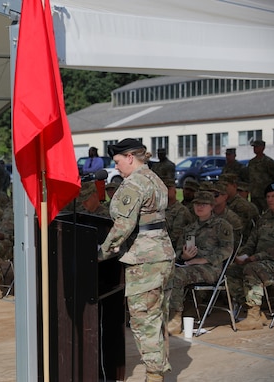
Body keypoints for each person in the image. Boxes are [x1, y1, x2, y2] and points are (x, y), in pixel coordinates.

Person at [99, 138, 174, 382]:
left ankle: (154, 376)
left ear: (130, 157)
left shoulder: (134, 183)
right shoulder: (155, 178)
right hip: (162, 254)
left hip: (144, 260)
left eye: (118, 161)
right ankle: (158, 370)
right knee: (158, 317)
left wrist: (100, 253)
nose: (116, 167)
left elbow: (122, 226)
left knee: (145, 321)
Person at [227, 182, 274, 330]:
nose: (270, 199)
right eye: (268, 196)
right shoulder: (264, 217)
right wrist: (242, 256)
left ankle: (253, 317)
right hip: (260, 261)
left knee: (253, 269)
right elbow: (252, 242)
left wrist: (255, 258)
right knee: (230, 271)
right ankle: (254, 311)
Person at [167, 191, 234, 335]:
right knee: (164, 272)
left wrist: (204, 260)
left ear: (211, 206)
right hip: (189, 267)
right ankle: (164, 314)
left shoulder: (221, 225)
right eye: (197, 204)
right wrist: (184, 256)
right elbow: (178, 250)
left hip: (211, 269)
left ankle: (175, 320)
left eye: (204, 204)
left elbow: (227, 249)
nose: (200, 207)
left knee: (176, 276)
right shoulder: (189, 229)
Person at [219, 174, 260, 240]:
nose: (222, 188)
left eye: (226, 186)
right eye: (220, 186)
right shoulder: (222, 203)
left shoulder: (242, 206)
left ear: (234, 186)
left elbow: (240, 231)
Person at [248, 140, 274, 213]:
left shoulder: (268, 162)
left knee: (268, 213)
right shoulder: (251, 162)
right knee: (254, 214)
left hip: (265, 194)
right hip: (254, 194)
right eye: (254, 147)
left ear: (262, 148)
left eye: (257, 147)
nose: (255, 148)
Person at [163, 177, 194, 250]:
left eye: (168, 188)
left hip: (173, 249)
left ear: (175, 191)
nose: (165, 191)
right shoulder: (159, 208)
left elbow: (176, 237)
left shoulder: (181, 210)